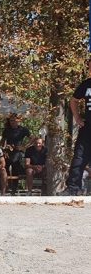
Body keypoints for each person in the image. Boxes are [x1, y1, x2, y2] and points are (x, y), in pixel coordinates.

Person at [59, 59, 91, 195]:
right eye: (90, 66)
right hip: (88, 126)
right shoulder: (86, 84)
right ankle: (73, 188)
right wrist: (77, 117)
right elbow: (73, 100)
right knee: (79, 156)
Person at [0, 113, 30, 193]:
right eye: (11, 121)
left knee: (15, 167)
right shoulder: (7, 130)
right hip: (8, 151)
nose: (12, 122)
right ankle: (5, 187)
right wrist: (5, 147)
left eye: (14, 120)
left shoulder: (23, 130)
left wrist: (24, 147)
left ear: (18, 121)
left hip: (18, 152)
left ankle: (14, 188)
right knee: (5, 167)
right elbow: (2, 141)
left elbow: (33, 138)